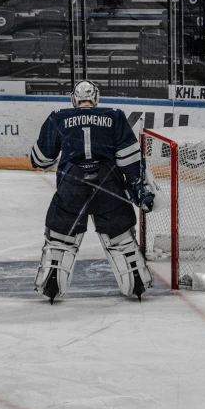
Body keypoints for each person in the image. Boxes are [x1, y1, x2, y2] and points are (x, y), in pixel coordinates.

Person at [31, 79, 155, 304]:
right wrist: (138, 186)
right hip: (108, 183)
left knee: (60, 239)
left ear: (74, 99)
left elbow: (40, 159)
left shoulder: (58, 116)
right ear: (95, 97)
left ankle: (51, 285)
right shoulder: (115, 115)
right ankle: (137, 283)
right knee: (121, 239)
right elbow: (129, 157)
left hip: (72, 184)